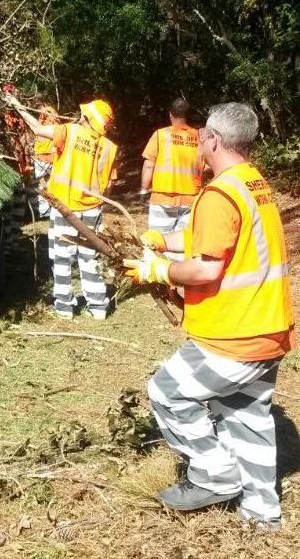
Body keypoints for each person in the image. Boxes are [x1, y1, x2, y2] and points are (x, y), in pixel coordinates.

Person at [125, 103, 296, 529]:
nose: (200, 143)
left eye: (202, 136)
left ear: (214, 140)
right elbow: (216, 237)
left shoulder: (220, 193)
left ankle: (215, 474)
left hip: (233, 335)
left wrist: (159, 271)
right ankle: (261, 513)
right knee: (248, 416)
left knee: (166, 393)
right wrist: (162, 240)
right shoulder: (253, 184)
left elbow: (205, 267)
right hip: (267, 328)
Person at [5, 95, 117, 320]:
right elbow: (110, 183)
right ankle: (97, 308)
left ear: (86, 118)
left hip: (64, 207)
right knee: (89, 257)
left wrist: (17, 106)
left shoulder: (69, 132)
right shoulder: (108, 147)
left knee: (62, 258)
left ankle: (64, 308)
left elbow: (37, 129)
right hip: (92, 210)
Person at [139, 98, 203, 238]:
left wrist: (144, 190)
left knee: (158, 242)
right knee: (181, 244)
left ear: (170, 114)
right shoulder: (199, 138)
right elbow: (207, 166)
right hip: (190, 200)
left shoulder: (161, 135)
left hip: (163, 198)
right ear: (187, 116)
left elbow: (149, 165)